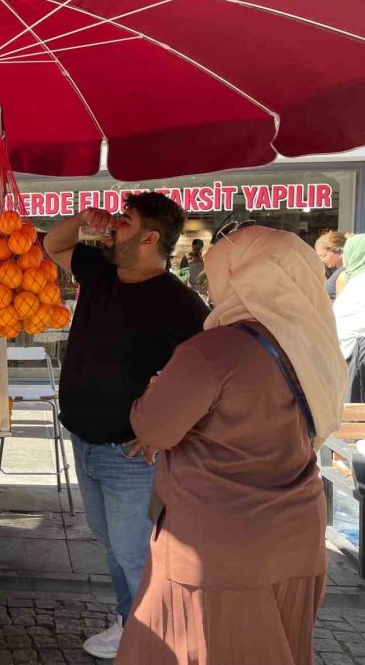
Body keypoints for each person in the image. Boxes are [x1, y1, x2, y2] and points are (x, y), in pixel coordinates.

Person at [117, 225, 347, 664]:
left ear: (239, 276)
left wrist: (159, 389)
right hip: (297, 539)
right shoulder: (316, 344)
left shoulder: (213, 350)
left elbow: (153, 429)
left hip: (214, 551)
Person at [43, 193, 210, 659]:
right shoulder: (99, 268)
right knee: (110, 542)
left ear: (151, 236)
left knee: (134, 551)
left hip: (129, 453)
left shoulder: (181, 303)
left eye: (125, 220)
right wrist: (81, 219)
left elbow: (203, 381)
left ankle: (159, 641)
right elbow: (51, 246)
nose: (113, 226)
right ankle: (128, 622)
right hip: (84, 439)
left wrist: (166, 433)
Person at [315, 231, 347, 300]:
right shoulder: (334, 270)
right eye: (319, 256)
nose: (322, 260)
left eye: (324, 255)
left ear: (338, 251)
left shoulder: (344, 272)